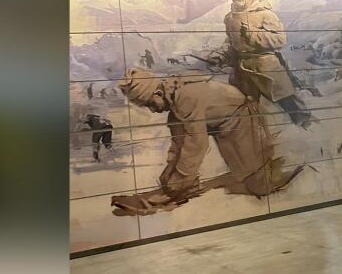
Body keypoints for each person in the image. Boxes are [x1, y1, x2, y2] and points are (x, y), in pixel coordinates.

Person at [112, 67, 303, 215]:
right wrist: (168, 173)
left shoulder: (186, 99)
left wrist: (179, 181)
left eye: (150, 104)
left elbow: (195, 145)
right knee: (243, 174)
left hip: (242, 118)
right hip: (223, 123)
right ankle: (178, 189)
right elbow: (178, 145)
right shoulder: (175, 104)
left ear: (158, 94)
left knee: (258, 185)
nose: (152, 110)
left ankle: (296, 166)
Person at [211, 0, 315, 128]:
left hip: (265, 63)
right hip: (242, 68)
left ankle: (307, 126)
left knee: (287, 99)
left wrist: (253, 34)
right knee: (243, 104)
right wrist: (221, 56)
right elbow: (231, 42)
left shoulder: (265, 14)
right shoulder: (229, 18)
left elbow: (280, 39)